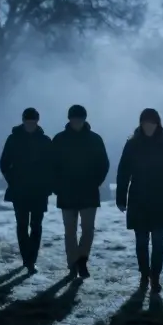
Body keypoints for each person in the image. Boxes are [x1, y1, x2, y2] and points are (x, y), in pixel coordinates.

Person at [115, 108, 163, 293]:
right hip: (139, 198)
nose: (149, 127)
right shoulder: (132, 144)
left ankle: (155, 277)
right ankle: (144, 275)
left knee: (158, 242)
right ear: (141, 124)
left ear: (157, 124)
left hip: (161, 198)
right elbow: (123, 172)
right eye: (146, 123)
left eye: (151, 123)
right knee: (141, 242)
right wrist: (121, 198)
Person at [51, 104, 110, 279]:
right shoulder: (60, 139)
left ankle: (82, 260)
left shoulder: (94, 139)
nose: (76, 122)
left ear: (84, 119)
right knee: (70, 231)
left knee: (87, 229)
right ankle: (72, 265)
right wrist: (56, 186)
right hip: (68, 191)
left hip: (87, 191)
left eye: (79, 119)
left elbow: (103, 164)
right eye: (74, 119)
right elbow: (51, 165)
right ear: (70, 119)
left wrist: (95, 182)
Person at [0, 107, 54, 272]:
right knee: (22, 225)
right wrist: (12, 180)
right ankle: (26, 259)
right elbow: (4, 163)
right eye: (28, 122)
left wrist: (48, 183)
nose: (30, 125)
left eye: (32, 122)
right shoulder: (13, 139)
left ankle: (31, 260)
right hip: (20, 189)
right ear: (23, 121)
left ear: (37, 122)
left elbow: (52, 165)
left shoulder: (45, 140)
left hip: (39, 189)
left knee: (36, 225)